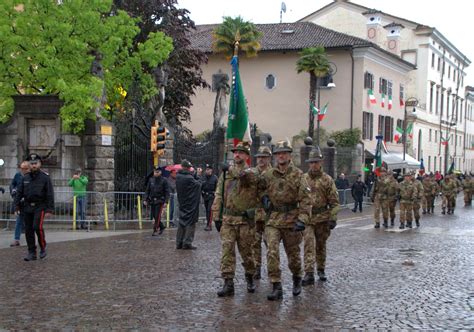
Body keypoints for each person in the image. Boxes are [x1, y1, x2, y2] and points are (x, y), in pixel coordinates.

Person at [259, 140, 311, 301]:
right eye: (278, 153)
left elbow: (306, 199)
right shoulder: (268, 175)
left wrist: (302, 219)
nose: (281, 156)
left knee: (293, 256)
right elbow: (259, 188)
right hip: (274, 219)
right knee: (272, 251)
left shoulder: (298, 175)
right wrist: (264, 198)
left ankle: (297, 277)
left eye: (284, 153)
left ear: (289, 155)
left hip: (291, 220)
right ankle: (276, 285)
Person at [212, 142, 259, 297]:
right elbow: (218, 194)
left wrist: (229, 169)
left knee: (247, 253)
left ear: (246, 156)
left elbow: (244, 177)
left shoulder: (251, 172)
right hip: (228, 219)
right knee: (227, 251)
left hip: (245, 221)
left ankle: (250, 276)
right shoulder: (225, 175)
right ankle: (228, 282)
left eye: (240, 152)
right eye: (235, 152)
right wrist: (216, 216)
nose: (236, 154)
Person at [302, 146, 339, 285]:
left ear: (321, 162)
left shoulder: (327, 180)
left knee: (321, 245)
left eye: (316, 162)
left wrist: (333, 218)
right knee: (308, 244)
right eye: (311, 162)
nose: (313, 165)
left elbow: (335, 202)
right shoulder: (303, 179)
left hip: (322, 218)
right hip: (308, 219)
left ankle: (321, 268)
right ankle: (309, 272)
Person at [14, 154, 54, 261]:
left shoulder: (45, 178)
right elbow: (19, 192)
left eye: (35, 163)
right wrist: (16, 206)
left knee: (37, 227)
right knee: (28, 230)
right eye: (32, 164)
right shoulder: (25, 177)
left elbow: (49, 194)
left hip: (39, 206)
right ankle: (31, 252)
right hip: (27, 206)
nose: (34, 166)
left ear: (40, 164)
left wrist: (49, 209)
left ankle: (43, 248)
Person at [252, 146, 272, 280]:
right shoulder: (251, 173)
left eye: (263, 157)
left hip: (269, 215)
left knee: (270, 244)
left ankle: (273, 269)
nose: (260, 160)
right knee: (254, 243)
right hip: (254, 214)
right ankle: (256, 268)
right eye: (259, 157)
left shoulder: (274, 173)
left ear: (269, 158)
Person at [175, 160, 201, 249]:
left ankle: (179, 242)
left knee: (181, 223)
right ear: (187, 168)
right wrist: (198, 175)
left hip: (182, 203)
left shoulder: (178, 176)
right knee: (191, 223)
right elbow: (198, 185)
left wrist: (193, 175)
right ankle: (187, 242)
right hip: (190, 204)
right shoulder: (189, 178)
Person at [10, 161, 30, 246]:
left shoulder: (31, 176)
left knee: (30, 223)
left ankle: (30, 240)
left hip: (29, 202)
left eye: (25, 168)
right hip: (20, 202)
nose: (23, 170)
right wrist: (13, 191)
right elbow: (12, 184)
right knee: (19, 221)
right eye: (22, 168)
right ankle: (16, 239)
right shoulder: (18, 175)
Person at [144, 166, 170, 236]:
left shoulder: (164, 180)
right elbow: (147, 190)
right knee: (153, 215)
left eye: (157, 172)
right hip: (152, 200)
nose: (156, 173)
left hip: (160, 200)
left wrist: (166, 201)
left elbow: (167, 192)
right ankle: (162, 226)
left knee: (157, 215)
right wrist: (145, 199)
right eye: (155, 172)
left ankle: (155, 230)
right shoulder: (151, 180)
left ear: (160, 172)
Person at [200, 164, 218, 231]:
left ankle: (209, 225)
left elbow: (217, 187)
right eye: (206, 169)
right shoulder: (203, 177)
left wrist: (216, 195)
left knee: (209, 210)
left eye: (208, 169)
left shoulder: (215, 178)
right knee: (207, 210)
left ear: (211, 170)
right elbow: (201, 186)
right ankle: (208, 223)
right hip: (205, 196)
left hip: (211, 196)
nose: (207, 171)